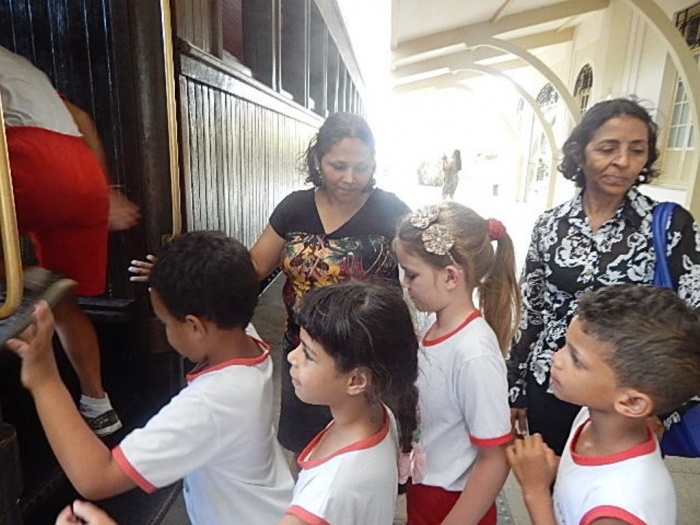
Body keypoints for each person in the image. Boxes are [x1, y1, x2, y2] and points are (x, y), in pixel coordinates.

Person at [7, 231, 294, 525]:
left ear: (195, 326)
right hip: (269, 506)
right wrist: (170, 279)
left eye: (166, 322)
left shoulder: (212, 403)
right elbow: (219, 286)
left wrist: (44, 379)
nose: (166, 331)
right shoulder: (244, 337)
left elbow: (97, 477)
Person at [506, 97, 700, 455]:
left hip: (624, 399)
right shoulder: (550, 225)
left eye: (637, 150)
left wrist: (666, 408)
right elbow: (533, 312)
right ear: (580, 154)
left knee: (609, 485)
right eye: (608, 149)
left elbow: (692, 322)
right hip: (552, 384)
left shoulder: (669, 226)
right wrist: (515, 387)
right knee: (550, 478)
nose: (623, 161)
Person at [0, 45, 140, 435]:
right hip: (81, 171)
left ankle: (19, 281)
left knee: (21, 285)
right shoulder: (19, 64)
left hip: (28, 157)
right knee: (65, 303)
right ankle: (97, 403)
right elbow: (82, 119)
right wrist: (104, 191)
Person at [507, 284, 700, 524]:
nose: (556, 358)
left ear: (632, 402)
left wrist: (535, 491)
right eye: (565, 345)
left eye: (576, 360)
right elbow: (584, 475)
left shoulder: (618, 507)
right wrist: (551, 467)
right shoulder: (591, 415)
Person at [394, 202, 521, 525]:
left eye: (411, 274)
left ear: (450, 276)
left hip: (455, 505)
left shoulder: (474, 353)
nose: (404, 283)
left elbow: (496, 458)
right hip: (426, 490)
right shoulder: (433, 326)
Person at [280, 281, 419, 525]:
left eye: (308, 354)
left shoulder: (321, 501)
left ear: (356, 380)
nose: (292, 357)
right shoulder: (380, 416)